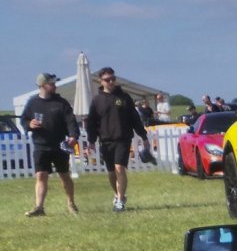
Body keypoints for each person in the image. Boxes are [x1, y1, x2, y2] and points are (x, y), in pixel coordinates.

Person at [85, 66, 151, 212]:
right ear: (101, 81)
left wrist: (143, 136)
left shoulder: (124, 97)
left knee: (119, 167)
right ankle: (117, 195)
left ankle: (120, 200)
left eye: (113, 79)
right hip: (106, 140)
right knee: (111, 172)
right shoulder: (96, 101)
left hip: (123, 138)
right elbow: (91, 122)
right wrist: (91, 140)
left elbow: (135, 118)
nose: (111, 82)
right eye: (107, 79)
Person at [19, 72, 80, 217]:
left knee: (64, 175)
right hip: (40, 145)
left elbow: (71, 121)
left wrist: (73, 136)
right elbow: (24, 120)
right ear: (42, 85)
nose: (54, 85)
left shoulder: (61, 103)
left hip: (59, 144)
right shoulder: (32, 103)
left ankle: (71, 204)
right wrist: (29, 123)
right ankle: (39, 207)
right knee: (41, 175)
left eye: (54, 83)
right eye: (51, 83)